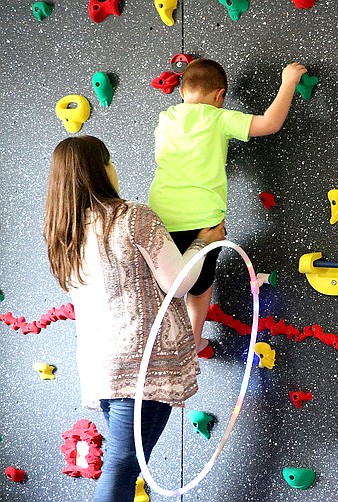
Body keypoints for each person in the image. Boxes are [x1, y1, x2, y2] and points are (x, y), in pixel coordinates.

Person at [43, 136, 226, 502]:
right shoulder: (131, 217)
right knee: (122, 465)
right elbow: (179, 282)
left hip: (101, 366)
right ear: (101, 169)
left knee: (123, 466)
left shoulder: (64, 232)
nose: (114, 169)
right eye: (109, 161)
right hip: (143, 364)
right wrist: (203, 242)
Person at [148, 58, 307, 356]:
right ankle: (193, 341)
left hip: (161, 217)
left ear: (182, 92)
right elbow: (270, 123)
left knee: (167, 281)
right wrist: (289, 81)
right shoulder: (217, 118)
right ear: (219, 96)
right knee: (200, 283)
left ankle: (161, 341)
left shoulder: (166, 118)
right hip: (202, 220)